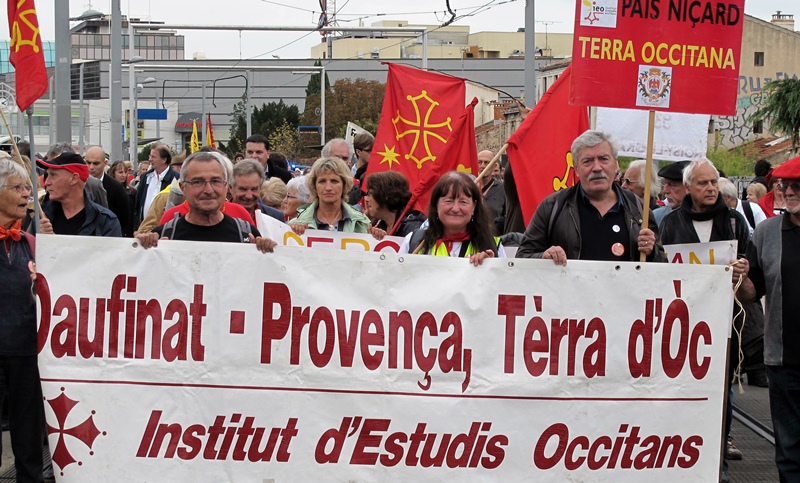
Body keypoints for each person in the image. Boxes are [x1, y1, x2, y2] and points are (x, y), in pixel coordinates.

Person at [658, 158, 752, 477]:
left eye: (714, 182)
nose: (711, 188)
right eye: (703, 183)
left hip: (723, 332)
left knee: (718, 399)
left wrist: (744, 274)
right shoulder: (669, 224)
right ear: (688, 188)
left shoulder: (737, 223)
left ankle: (716, 466)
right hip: (680, 331)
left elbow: (751, 293)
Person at [737, 155, 800, 482]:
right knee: (789, 450)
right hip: (783, 360)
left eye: (796, 185)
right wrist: (740, 278)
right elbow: (752, 293)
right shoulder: (766, 232)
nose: (787, 191)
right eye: (783, 185)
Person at [516, 130, 665, 263]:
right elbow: (523, 257)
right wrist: (544, 257)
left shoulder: (639, 209)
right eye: (587, 161)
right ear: (577, 169)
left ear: (616, 165)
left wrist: (652, 252)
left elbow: (662, 270)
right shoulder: (553, 206)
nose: (597, 167)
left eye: (604, 159)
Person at [0, 159, 45, 483]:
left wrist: (53, 251)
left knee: (28, 435)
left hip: (27, 351)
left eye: (28, 188)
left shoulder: (30, 242)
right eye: (17, 188)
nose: (27, 194)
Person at [136, 150, 276, 252]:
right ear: (183, 188)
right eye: (198, 182)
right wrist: (144, 249)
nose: (208, 190)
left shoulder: (246, 234)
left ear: (226, 185)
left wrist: (268, 253)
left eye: (215, 181)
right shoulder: (165, 235)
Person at [399, 171, 504, 266]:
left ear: (474, 207)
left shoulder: (493, 246)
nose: (455, 209)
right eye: (448, 201)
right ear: (436, 205)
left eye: (463, 202)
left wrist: (490, 268)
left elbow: (505, 285)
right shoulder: (414, 241)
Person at [37, 153, 121, 237]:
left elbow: (113, 249)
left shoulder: (105, 221)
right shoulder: (42, 217)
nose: (47, 182)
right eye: (47, 175)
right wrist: (40, 240)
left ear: (74, 179)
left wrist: (53, 242)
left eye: (53, 175)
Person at [288, 156, 370, 234]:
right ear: (314, 186)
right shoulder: (294, 225)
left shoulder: (361, 223)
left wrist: (377, 237)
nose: (328, 188)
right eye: (322, 181)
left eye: (334, 181)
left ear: (344, 185)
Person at [84, 146, 132, 236]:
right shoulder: (78, 184)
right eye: (88, 163)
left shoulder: (116, 188)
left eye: (96, 163)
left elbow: (124, 219)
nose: (91, 167)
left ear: (105, 163)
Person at [45, 142, 108, 209]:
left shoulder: (93, 185)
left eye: (54, 173)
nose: (47, 182)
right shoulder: (47, 212)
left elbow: (103, 211)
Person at [364, 171, 426, 238]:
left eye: (370, 194)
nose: (367, 199)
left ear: (386, 196)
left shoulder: (412, 225)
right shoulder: (381, 225)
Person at [134, 144, 178, 228]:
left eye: (153, 157)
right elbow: (138, 205)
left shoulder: (175, 178)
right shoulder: (146, 177)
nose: (150, 159)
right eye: (150, 156)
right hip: (145, 228)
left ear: (164, 159)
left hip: (165, 229)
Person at [652, 160, 690, 226]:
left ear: (689, 187)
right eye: (665, 184)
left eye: (672, 184)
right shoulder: (657, 216)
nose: (665, 190)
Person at [477, 150, 505, 230]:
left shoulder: (502, 189)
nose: (482, 166)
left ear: (494, 166)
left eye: (486, 163)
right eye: (480, 162)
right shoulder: (469, 187)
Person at [349, 131, 375, 204]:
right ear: (358, 152)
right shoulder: (348, 175)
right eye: (369, 150)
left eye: (374, 150)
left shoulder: (377, 175)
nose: (373, 153)